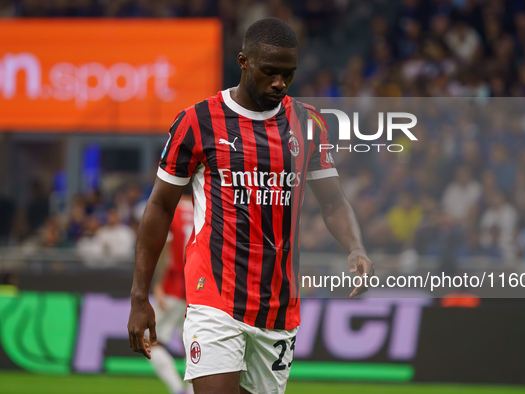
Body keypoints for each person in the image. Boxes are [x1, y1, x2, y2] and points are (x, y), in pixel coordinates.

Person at [128, 17, 374, 394]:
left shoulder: (309, 124)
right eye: (269, 72)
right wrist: (139, 295)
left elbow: (334, 202)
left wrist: (355, 246)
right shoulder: (197, 122)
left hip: (278, 307)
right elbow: (160, 206)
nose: (280, 82)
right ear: (244, 62)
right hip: (214, 296)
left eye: (288, 74)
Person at [148, 189, 194, 394]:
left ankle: (177, 389)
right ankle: (192, 390)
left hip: (173, 286)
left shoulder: (172, 211)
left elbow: (165, 251)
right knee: (194, 347)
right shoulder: (204, 207)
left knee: (150, 343)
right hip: (198, 290)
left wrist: (158, 284)